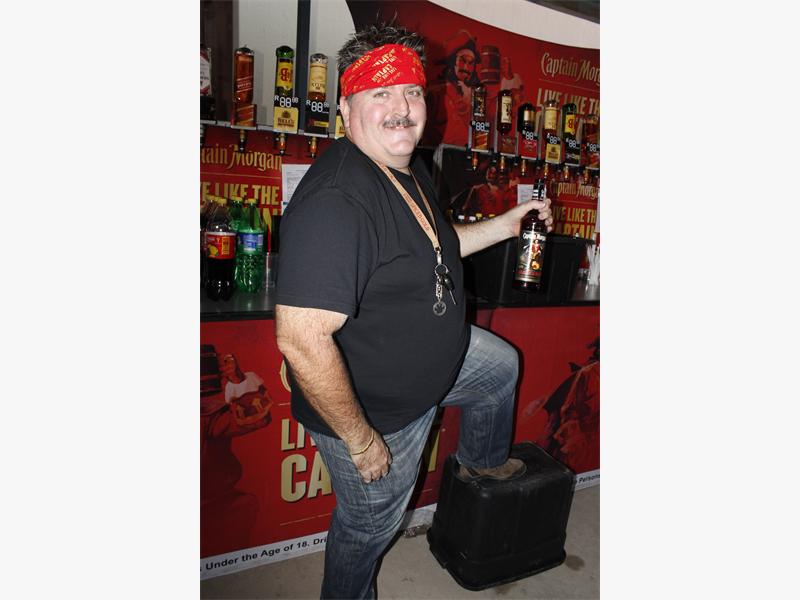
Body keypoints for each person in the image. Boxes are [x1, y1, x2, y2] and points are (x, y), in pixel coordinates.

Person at [274, 22, 552, 600]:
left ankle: (479, 466)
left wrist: (505, 226)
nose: (401, 109)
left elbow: (434, 242)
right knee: (369, 527)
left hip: (434, 367)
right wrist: (361, 440)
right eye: (380, 93)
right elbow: (301, 339)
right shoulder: (337, 201)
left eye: (412, 92)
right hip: (382, 411)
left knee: (498, 367)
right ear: (345, 107)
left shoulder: (405, 166)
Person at [425, 29, 482, 145]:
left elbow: (479, 135)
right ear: (452, 61)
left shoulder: (476, 97)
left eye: (471, 63)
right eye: (462, 60)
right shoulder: (436, 92)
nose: (466, 67)